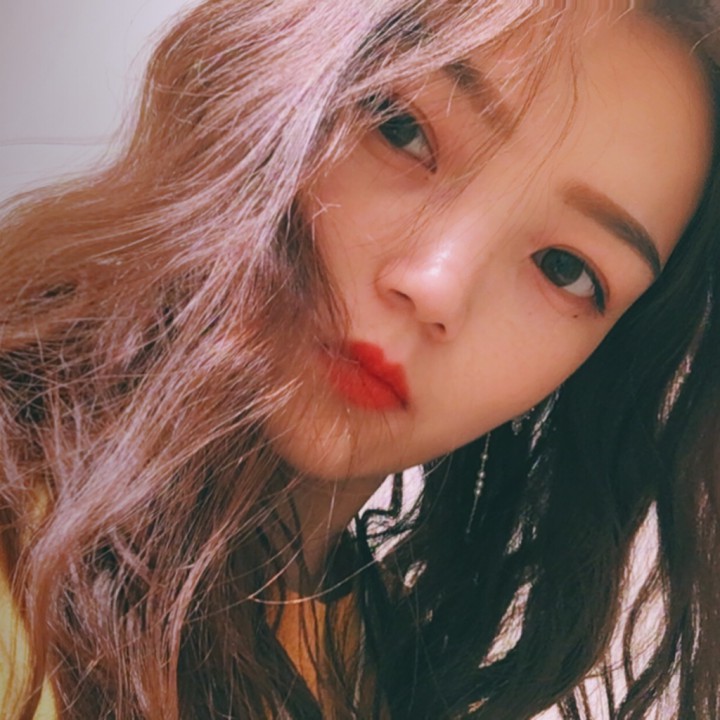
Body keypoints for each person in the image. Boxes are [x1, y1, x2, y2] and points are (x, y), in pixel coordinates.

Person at [1, 1, 720, 718]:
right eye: (401, 128)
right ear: (275, 78)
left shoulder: (361, 654)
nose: (436, 285)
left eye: (565, 269)